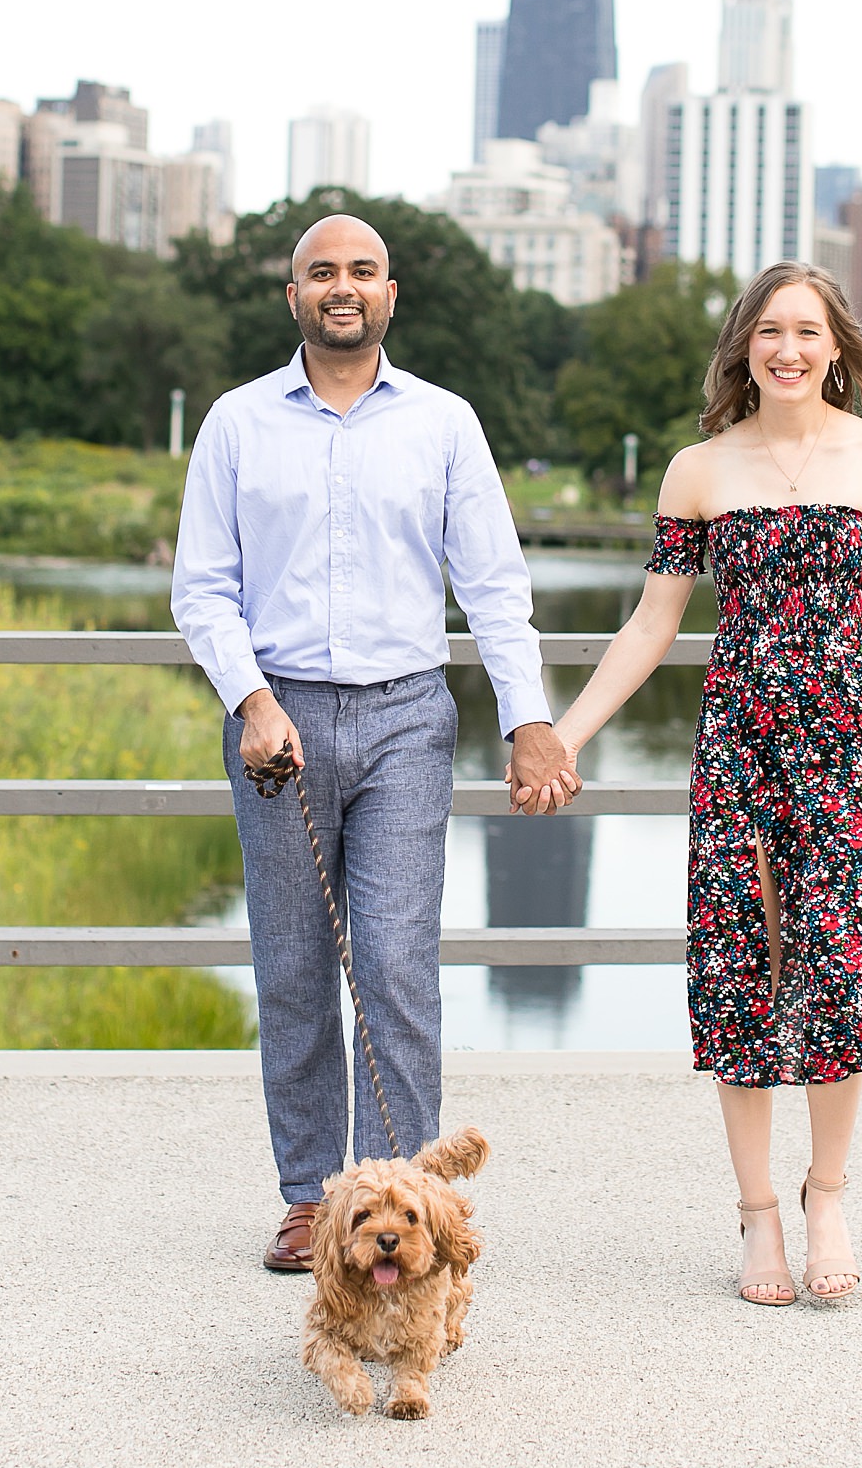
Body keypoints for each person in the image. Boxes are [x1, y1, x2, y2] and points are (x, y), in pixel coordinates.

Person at [171, 213, 576, 1273]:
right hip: (279, 721)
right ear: (292, 297)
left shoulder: (443, 424)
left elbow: (493, 586)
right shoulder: (236, 423)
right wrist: (252, 700)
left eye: (360, 271)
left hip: (407, 717)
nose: (340, 287)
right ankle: (312, 1199)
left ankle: (406, 1203)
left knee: (395, 966)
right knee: (295, 970)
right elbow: (202, 589)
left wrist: (528, 719)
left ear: (391, 294)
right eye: (320, 273)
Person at [534, 261, 862, 1306]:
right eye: (771, 332)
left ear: (840, 347)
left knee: (845, 976)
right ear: (744, 349)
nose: (790, 350)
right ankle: (758, 1209)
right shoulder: (698, 472)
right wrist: (562, 734)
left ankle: (828, 1192)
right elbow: (653, 622)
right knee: (745, 977)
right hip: (742, 755)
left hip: (857, 754)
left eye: (809, 331)